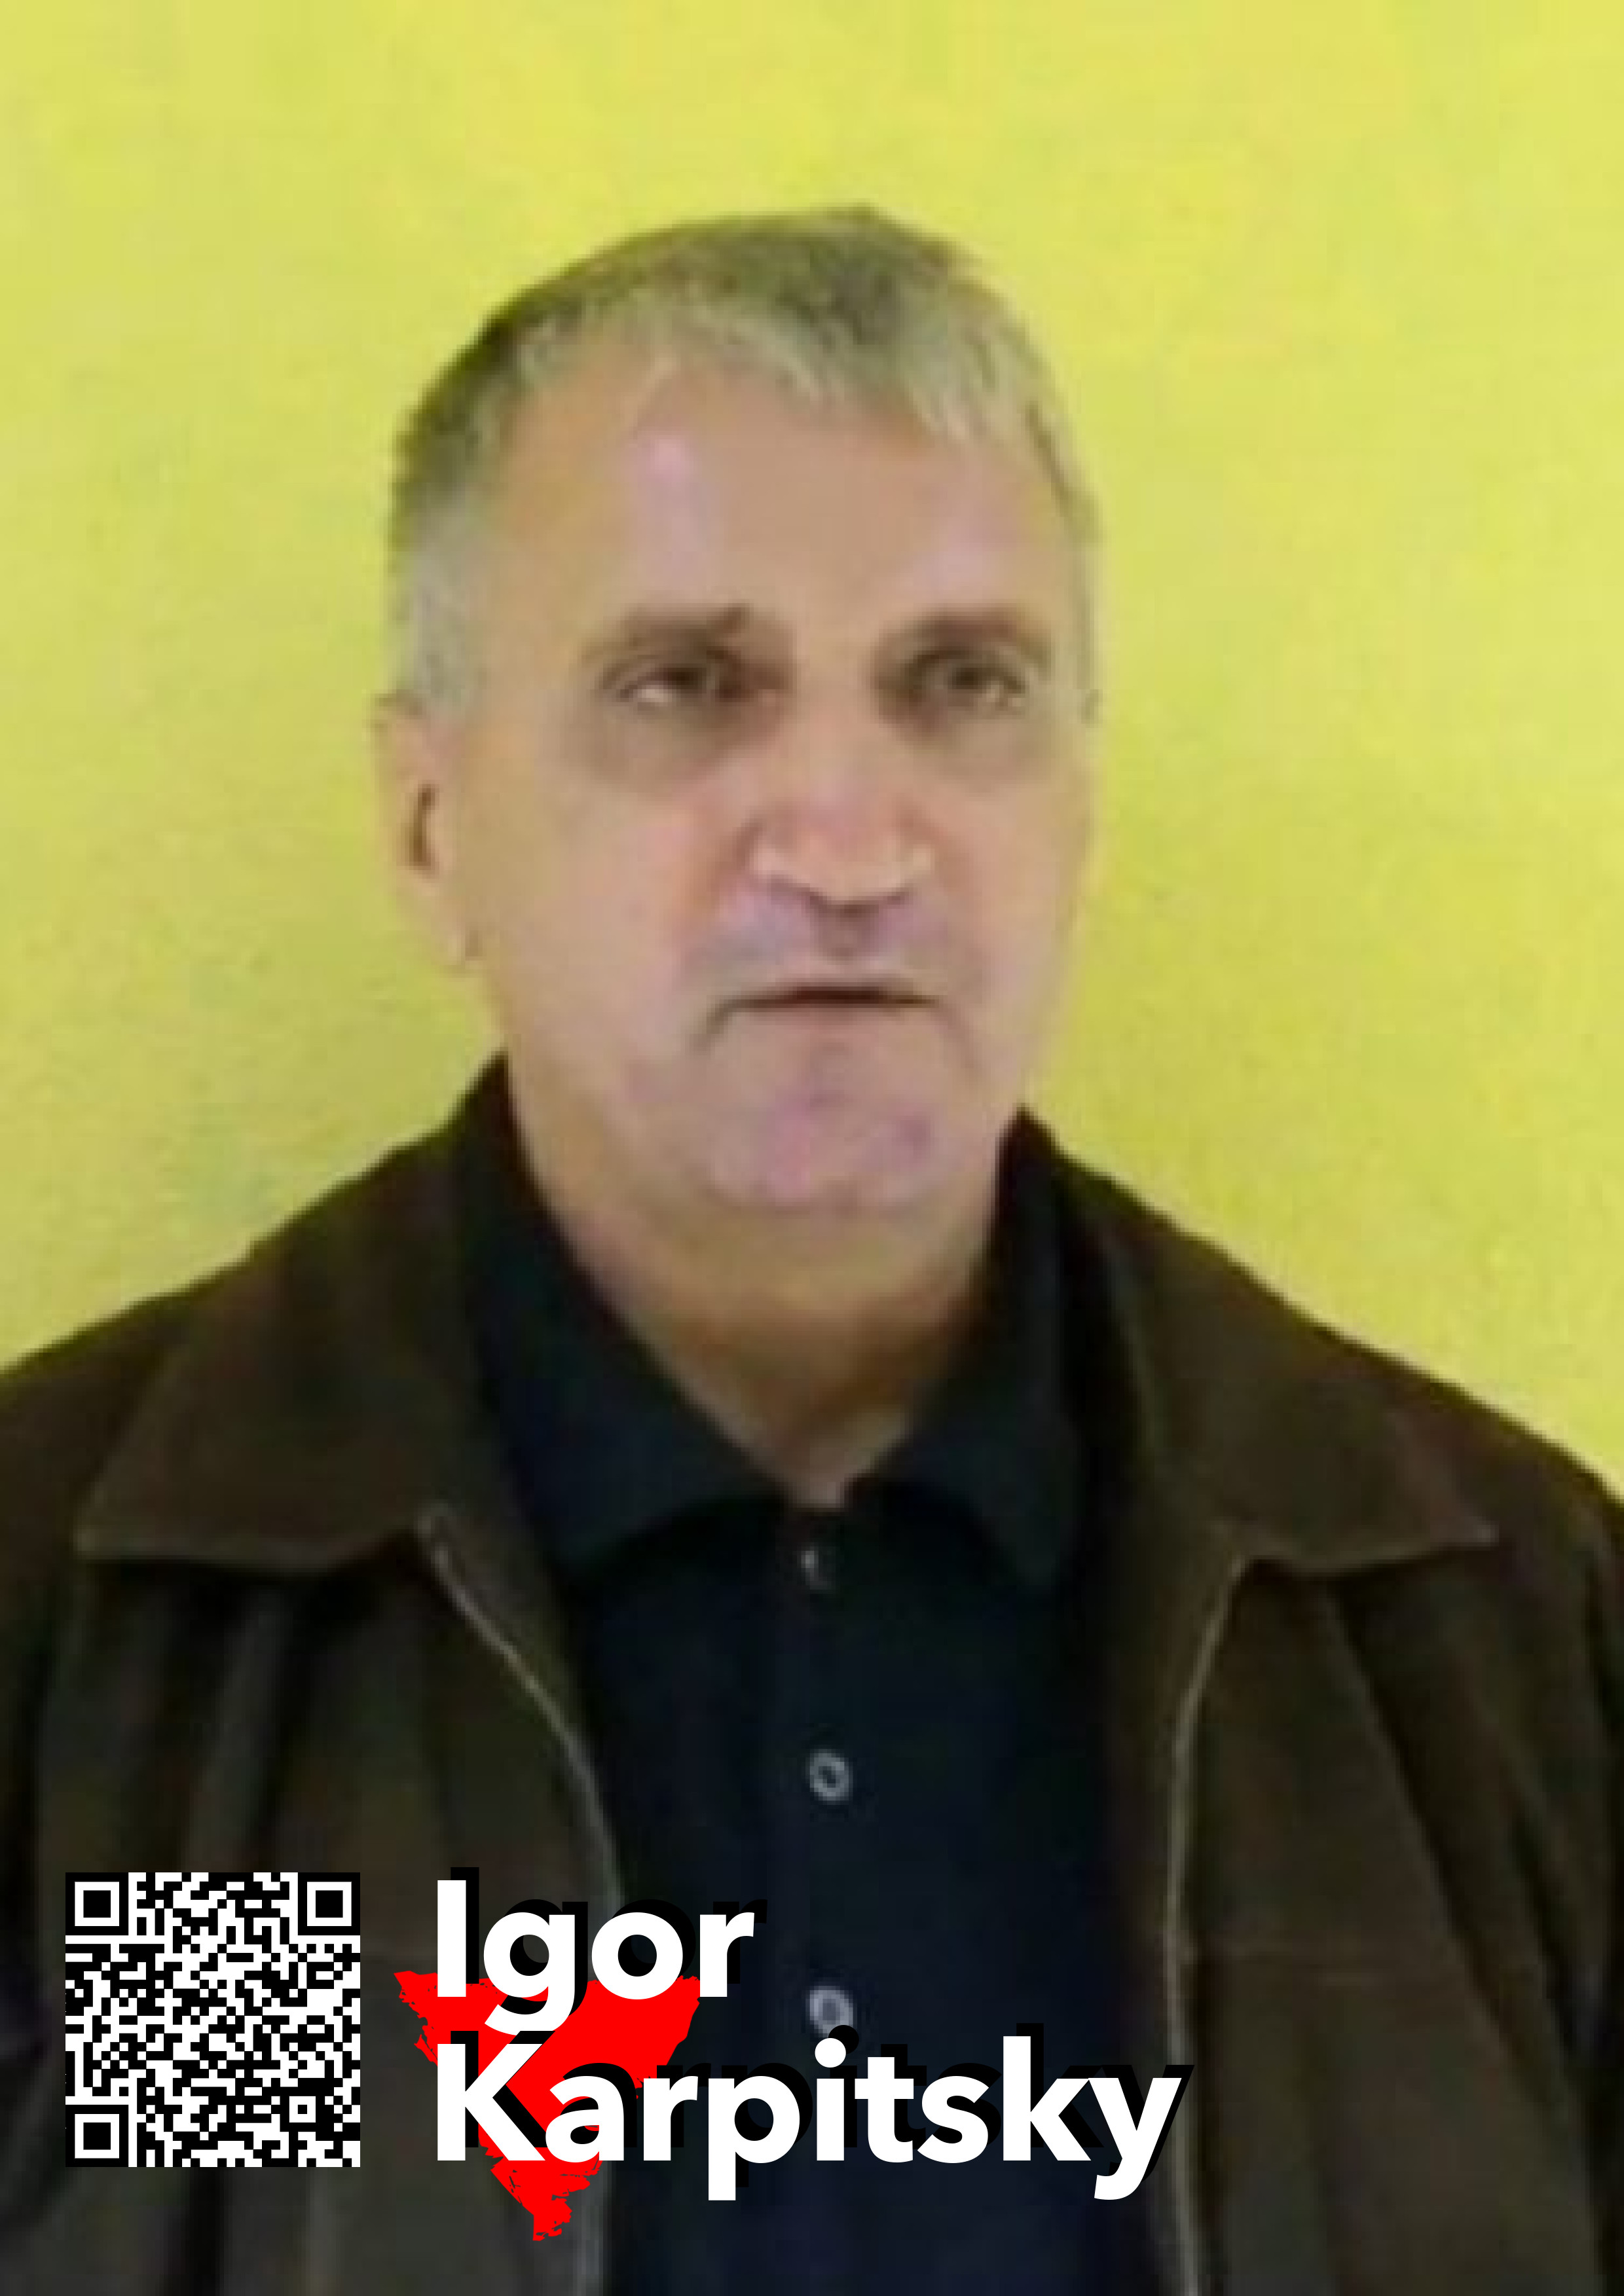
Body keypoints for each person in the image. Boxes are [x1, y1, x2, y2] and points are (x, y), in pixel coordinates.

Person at [0, 203, 1618, 2296]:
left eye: (964, 684)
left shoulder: (1497, 1641)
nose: (850, 845)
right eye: (687, 684)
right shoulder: (109, 1628)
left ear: (1079, 810)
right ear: (428, 825)